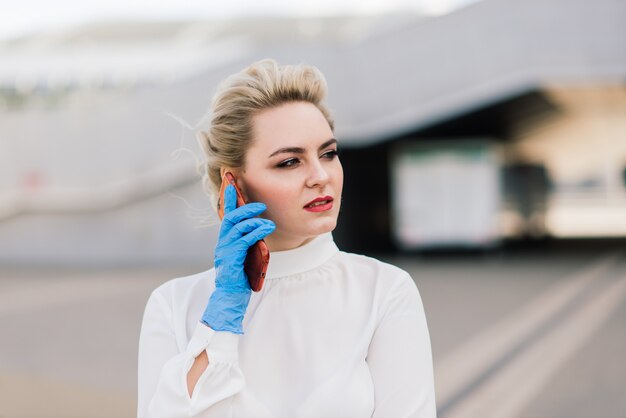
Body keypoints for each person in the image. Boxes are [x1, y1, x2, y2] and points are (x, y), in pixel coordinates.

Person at [137, 59, 436, 418]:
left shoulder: (384, 291)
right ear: (235, 184)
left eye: (328, 153)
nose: (320, 175)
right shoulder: (174, 305)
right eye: (289, 162)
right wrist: (219, 324)